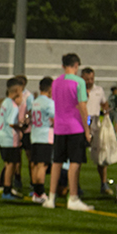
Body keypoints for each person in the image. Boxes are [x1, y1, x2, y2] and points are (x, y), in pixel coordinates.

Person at [43, 53, 93, 211]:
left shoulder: (56, 82)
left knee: (57, 162)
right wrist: (87, 130)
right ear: (76, 65)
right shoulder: (79, 82)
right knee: (75, 162)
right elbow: (83, 107)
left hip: (59, 127)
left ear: (63, 65)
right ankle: (73, 197)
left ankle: (51, 197)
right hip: (75, 127)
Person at [82, 67, 112, 195]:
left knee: (101, 155)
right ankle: (74, 185)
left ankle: (104, 183)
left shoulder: (99, 90)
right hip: (81, 124)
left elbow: (104, 104)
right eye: (87, 79)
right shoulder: (78, 90)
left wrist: (106, 110)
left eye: (91, 79)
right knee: (78, 155)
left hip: (95, 123)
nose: (90, 81)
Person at [0, 77, 26, 200]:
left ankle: (7, 188)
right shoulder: (13, 106)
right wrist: (22, 126)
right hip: (10, 139)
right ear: (16, 91)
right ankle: (7, 190)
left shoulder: (5, 102)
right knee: (11, 165)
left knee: (9, 163)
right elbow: (11, 123)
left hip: (2, 137)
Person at [30, 77, 55, 203]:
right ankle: (40, 193)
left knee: (35, 164)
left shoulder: (35, 102)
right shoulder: (49, 102)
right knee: (42, 165)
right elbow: (55, 119)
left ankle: (36, 193)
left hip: (34, 135)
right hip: (45, 137)